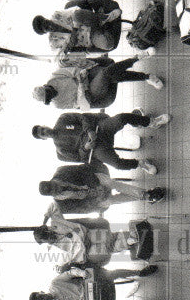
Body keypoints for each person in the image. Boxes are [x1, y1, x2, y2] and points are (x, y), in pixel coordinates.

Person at [32, 110, 169, 171]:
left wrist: (89, 131)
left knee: (121, 118)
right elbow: (81, 158)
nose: (45, 131)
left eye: (42, 129)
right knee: (117, 164)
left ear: (44, 125)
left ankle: (152, 122)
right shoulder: (60, 150)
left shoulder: (62, 119)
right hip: (96, 149)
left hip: (98, 130)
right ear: (44, 139)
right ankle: (140, 164)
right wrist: (86, 147)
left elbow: (82, 117)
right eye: (42, 134)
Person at [33, 56, 164, 110]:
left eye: (48, 92)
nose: (52, 94)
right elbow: (80, 103)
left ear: (46, 86)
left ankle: (147, 76)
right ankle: (136, 59)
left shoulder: (53, 78)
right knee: (106, 74)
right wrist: (81, 86)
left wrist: (80, 78)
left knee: (111, 75)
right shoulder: (58, 104)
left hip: (86, 77)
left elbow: (74, 71)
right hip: (90, 94)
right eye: (48, 97)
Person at [30, 264, 159, 300]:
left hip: (89, 284)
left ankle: (140, 272)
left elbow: (69, 273)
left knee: (110, 274)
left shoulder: (55, 283)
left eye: (40, 296)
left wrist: (81, 273)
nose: (43, 298)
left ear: (41, 292)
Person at [38, 163, 164, 214]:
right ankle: (145, 195)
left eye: (55, 185)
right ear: (52, 195)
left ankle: (146, 196)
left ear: (52, 180)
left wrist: (95, 185)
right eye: (55, 191)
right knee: (110, 201)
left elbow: (84, 168)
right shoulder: (61, 205)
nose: (58, 188)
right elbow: (82, 210)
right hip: (92, 199)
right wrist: (95, 200)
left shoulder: (61, 171)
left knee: (110, 183)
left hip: (95, 179)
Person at [33, 206, 141, 264]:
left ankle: (131, 238)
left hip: (86, 235)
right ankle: (128, 241)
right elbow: (67, 259)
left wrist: (45, 220)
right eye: (46, 239)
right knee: (106, 249)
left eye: (47, 233)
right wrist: (81, 247)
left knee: (109, 237)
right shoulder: (54, 250)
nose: (49, 237)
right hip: (85, 252)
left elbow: (53, 205)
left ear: (46, 229)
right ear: (45, 242)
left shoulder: (55, 223)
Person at [32, 5, 122, 54]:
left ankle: (104, 18)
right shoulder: (53, 43)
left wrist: (74, 32)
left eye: (47, 22)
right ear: (46, 33)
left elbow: (75, 11)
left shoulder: (57, 15)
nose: (50, 26)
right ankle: (102, 26)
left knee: (77, 15)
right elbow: (67, 51)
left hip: (89, 22)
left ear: (46, 19)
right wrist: (71, 41)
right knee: (108, 44)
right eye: (47, 28)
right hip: (90, 38)